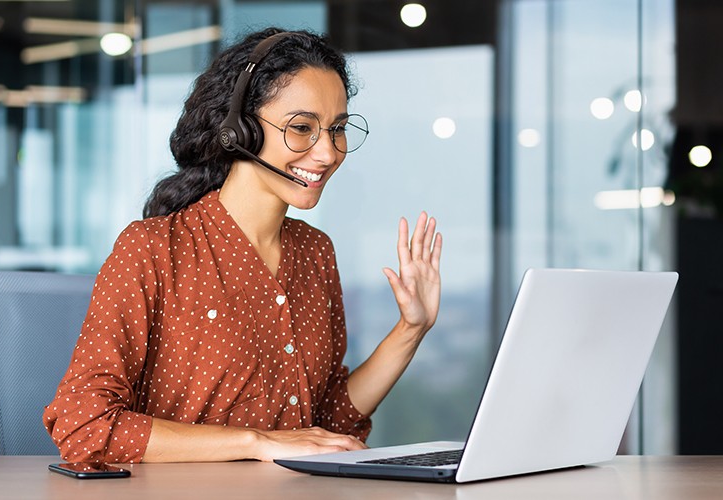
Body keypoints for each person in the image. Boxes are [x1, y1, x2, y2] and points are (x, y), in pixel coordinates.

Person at [43, 27, 442, 464]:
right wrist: (256, 442)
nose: (328, 153)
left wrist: (411, 328)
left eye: (338, 130)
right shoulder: (152, 249)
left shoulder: (315, 252)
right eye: (303, 128)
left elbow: (326, 422)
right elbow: (83, 425)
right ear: (240, 130)